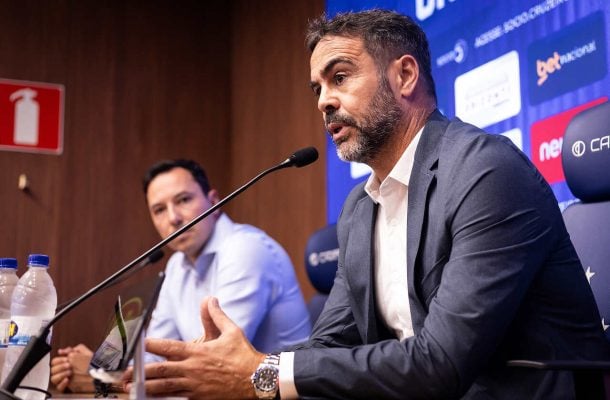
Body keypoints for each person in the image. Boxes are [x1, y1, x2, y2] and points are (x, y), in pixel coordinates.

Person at [123, 9, 610, 399]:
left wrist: (261, 375)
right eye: (317, 88)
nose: (323, 101)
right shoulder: (360, 206)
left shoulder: (486, 171)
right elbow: (330, 343)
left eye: (340, 77)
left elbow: (442, 363)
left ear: (404, 75)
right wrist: (232, 368)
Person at [50, 159, 311, 393]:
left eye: (184, 200)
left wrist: (104, 379)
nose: (173, 218)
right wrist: (102, 368)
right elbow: (154, 354)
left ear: (214, 202)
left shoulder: (245, 249)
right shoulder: (176, 265)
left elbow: (214, 363)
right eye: (159, 210)